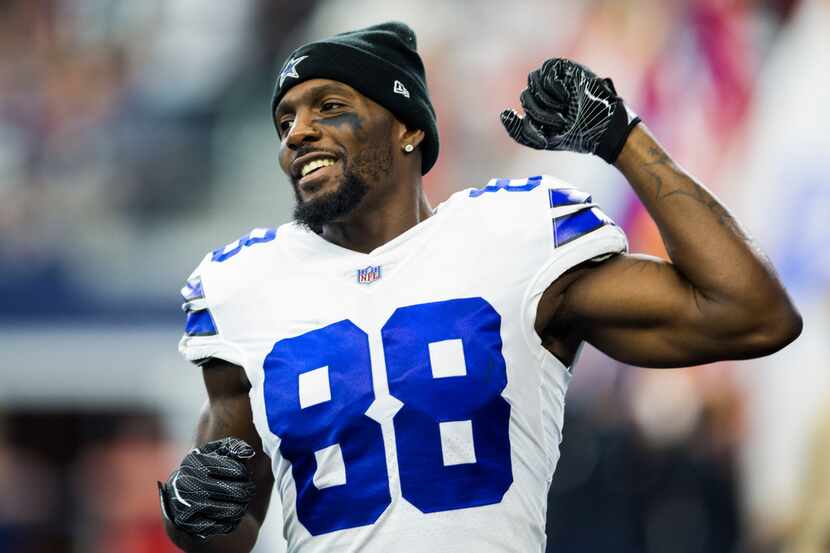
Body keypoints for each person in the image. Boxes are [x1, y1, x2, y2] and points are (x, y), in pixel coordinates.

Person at [158, 21, 801, 553]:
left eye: (330, 107)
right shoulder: (244, 286)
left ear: (409, 128)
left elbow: (751, 314)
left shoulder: (513, 239)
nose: (298, 131)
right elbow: (229, 528)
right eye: (285, 119)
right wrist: (190, 518)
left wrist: (621, 138)